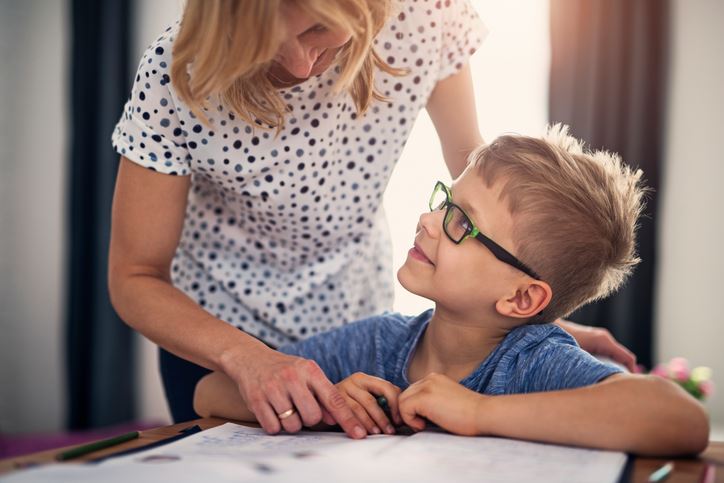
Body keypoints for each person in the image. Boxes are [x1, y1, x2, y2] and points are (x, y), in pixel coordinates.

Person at [109, 0, 635, 439]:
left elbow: (483, 185)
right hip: (224, 346)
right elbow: (136, 278)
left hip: (353, 335)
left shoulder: (425, 13)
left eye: (319, 27)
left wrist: (525, 318)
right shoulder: (175, 74)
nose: (297, 65)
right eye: (266, 39)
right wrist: (248, 360)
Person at [193, 127, 709, 456]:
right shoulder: (378, 345)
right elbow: (210, 391)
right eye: (444, 201)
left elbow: (679, 419)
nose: (427, 220)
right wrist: (326, 403)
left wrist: (477, 412)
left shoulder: (531, 364)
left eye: (460, 222)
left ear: (523, 299)